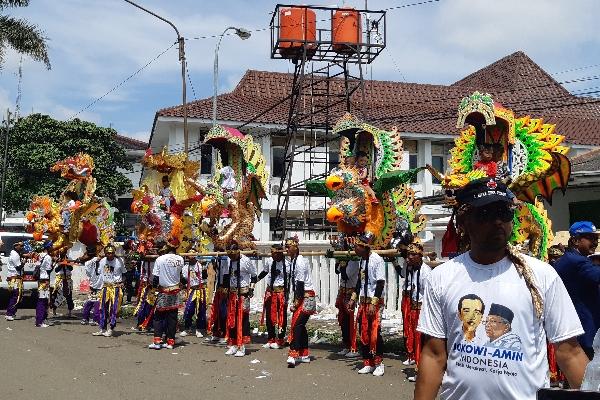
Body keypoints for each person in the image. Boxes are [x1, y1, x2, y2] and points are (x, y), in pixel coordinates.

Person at [415, 177, 589, 400]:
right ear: (464, 222)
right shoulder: (442, 277)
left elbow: (570, 352)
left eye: (503, 212)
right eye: (486, 213)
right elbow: (434, 354)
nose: (497, 221)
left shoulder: (542, 275)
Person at [554, 221, 600, 360]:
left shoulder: (568, 259)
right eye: (591, 238)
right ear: (575, 240)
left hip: (576, 327)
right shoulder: (577, 262)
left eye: (596, 239)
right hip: (586, 328)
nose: (595, 242)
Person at [348, 234, 386, 377]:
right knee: (363, 331)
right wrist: (353, 298)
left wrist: (374, 303)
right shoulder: (362, 261)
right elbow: (360, 282)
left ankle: (379, 363)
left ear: (364, 247)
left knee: (375, 332)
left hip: (374, 302)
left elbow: (380, 283)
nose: (354, 249)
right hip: (363, 302)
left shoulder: (377, 260)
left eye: (356, 246)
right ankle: (368, 363)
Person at [402, 242, 432, 382]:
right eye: (408, 254)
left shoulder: (425, 272)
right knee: (414, 339)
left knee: (421, 341)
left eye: (413, 254)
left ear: (420, 256)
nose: (409, 258)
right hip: (414, 309)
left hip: (422, 310)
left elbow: (429, 296)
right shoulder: (413, 269)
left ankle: (421, 371)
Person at [285, 236, 316, 367]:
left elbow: (300, 284)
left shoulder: (300, 262)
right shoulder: (293, 261)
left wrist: (295, 303)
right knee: (300, 326)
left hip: (306, 297)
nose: (286, 249)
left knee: (296, 325)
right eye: (286, 246)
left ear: (295, 247)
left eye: (288, 246)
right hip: (301, 297)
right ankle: (304, 354)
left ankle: (294, 353)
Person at [148, 241, 184, 350]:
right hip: (175, 291)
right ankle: (170, 342)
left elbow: (155, 278)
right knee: (172, 318)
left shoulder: (160, 259)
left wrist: (153, 289)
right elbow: (180, 275)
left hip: (164, 292)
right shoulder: (180, 259)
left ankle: (157, 342)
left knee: (158, 317)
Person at [225, 243, 257, 357]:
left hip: (243, 293)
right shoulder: (229, 260)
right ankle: (233, 345)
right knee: (232, 319)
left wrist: (251, 289)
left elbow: (254, 276)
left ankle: (241, 346)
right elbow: (227, 276)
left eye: (232, 255)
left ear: (238, 251)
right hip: (232, 294)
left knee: (242, 319)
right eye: (229, 255)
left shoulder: (246, 261)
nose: (231, 257)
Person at [258, 244, 290, 349]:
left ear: (280, 253)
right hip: (270, 292)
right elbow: (264, 272)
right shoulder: (269, 261)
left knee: (281, 317)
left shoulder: (288, 263)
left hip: (281, 292)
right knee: (269, 316)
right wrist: (255, 281)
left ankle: (280, 339)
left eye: (274, 253)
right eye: (271, 253)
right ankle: (271, 339)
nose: (272, 255)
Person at [93, 244, 126, 337]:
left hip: (115, 288)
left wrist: (122, 282)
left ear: (114, 253)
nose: (110, 255)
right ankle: (102, 328)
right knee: (102, 308)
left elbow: (124, 274)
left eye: (111, 253)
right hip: (105, 288)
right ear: (105, 253)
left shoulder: (120, 261)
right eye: (108, 253)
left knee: (113, 309)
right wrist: (97, 261)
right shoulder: (102, 261)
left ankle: (111, 328)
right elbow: (98, 271)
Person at [335, 259, 360, 358]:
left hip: (351, 293)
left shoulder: (353, 262)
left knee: (351, 322)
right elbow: (337, 271)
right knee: (343, 320)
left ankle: (354, 348)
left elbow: (345, 276)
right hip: (343, 291)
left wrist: (343, 264)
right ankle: (346, 345)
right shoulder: (345, 261)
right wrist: (338, 260)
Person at [180, 256, 208, 338]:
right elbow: (184, 280)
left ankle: (199, 329)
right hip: (191, 291)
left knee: (201, 310)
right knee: (189, 309)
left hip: (200, 290)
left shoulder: (201, 265)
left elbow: (205, 278)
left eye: (192, 256)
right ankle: (187, 328)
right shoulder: (185, 267)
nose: (190, 258)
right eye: (189, 257)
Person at [205, 250, 230, 344]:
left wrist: (225, 289)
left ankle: (224, 334)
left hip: (225, 289)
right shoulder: (218, 258)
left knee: (224, 313)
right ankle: (216, 333)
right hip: (219, 289)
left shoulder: (227, 259)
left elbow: (226, 275)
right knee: (216, 312)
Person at [35, 241, 54, 328]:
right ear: (48, 247)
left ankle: (42, 319)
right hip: (45, 280)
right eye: (51, 246)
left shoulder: (39, 255)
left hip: (40, 279)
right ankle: (40, 321)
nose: (52, 247)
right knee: (43, 301)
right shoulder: (48, 257)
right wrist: (54, 264)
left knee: (42, 300)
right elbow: (49, 270)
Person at [81, 246, 102, 326]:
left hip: (92, 284)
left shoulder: (87, 263)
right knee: (97, 303)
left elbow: (89, 274)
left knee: (90, 301)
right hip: (100, 284)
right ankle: (95, 319)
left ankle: (85, 318)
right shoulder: (101, 260)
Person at [132, 260, 155, 331]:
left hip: (153, 288)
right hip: (144, 287)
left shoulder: (158, 261)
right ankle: (140, 324)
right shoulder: (143, 261)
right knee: (141, 307)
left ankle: (150, 325)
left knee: (150, 307)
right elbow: (142, 275)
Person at [5, 241, 24, 321]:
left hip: (14, 278)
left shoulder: (14, 253)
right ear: (16, 246)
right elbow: (18, 267)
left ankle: (11, 313)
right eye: (21, 246)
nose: (22, 247)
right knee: (15, 296)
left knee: (15, 296)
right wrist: (24, 262)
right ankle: (10, 314)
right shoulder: (15, 255)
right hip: (15, 278)